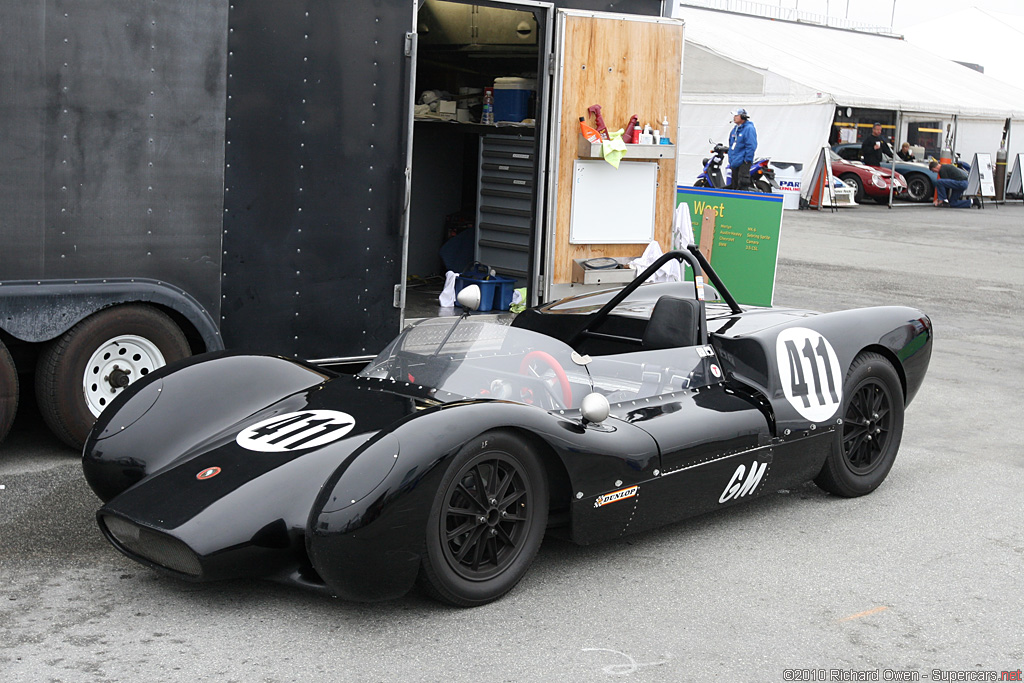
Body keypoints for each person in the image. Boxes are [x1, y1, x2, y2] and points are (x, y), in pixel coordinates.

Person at [728, 108, 757, 190]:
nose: (734, 117)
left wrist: (747, 160)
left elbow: (751, 145)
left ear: (743, 117)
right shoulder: (735, 129)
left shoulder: (749, 129)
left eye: (737, 115)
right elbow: (731, 143)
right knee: (734, 184)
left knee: (743, 183)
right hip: (734, 161)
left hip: (743, 161)